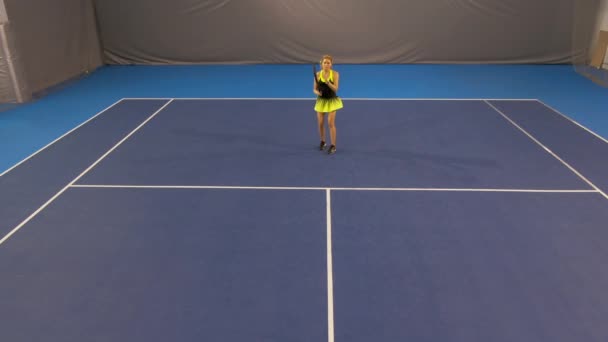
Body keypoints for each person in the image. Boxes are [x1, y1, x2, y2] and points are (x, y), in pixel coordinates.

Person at [314, 55, 343, 154]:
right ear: (321, 64)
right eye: (325, 62)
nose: (326, 64)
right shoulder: (318, 74)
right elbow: (314, 89)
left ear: (331, 64)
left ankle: (333, 145)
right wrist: (318, 92)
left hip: (331, 101)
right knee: (321, 123)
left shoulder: (335, 74)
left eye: (328, 63)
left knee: (330, 123)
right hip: (321, 101)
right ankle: (323, 141)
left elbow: (335, 89)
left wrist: (328, 83)